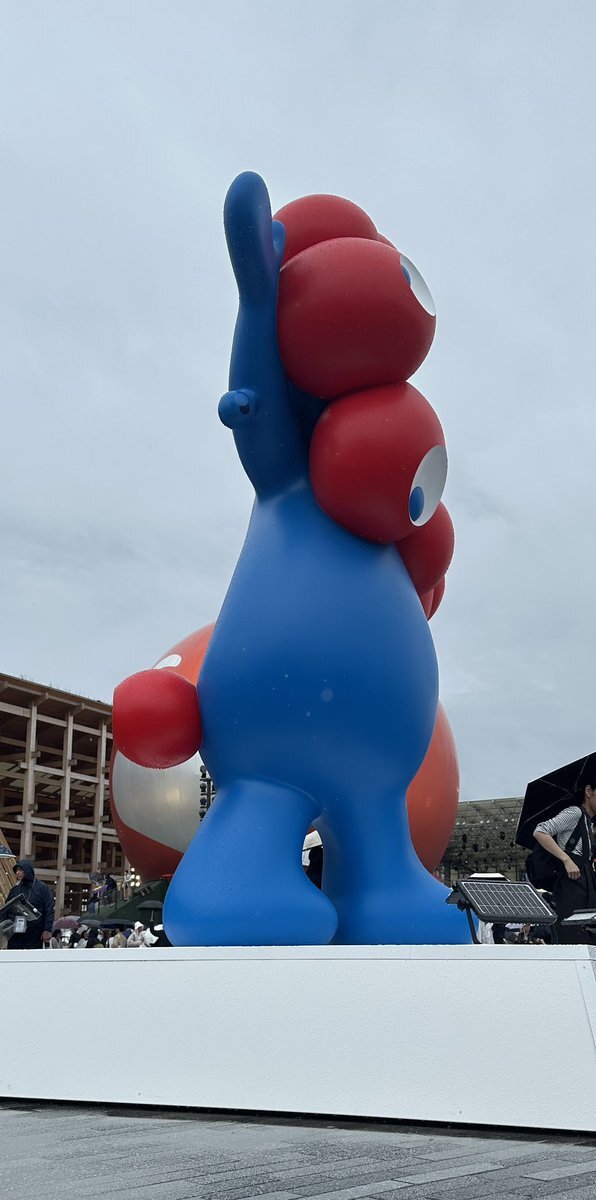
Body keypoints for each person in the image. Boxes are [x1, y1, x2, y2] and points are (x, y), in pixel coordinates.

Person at [533, 780, 596, 944]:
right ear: (588, 791)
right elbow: (540, 831)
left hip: (585, 885)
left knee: (588, 937)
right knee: (574, 936)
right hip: (571, 886)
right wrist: (566, 859)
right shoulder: (575, 812)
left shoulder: (589, 822)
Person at [3, 860, 55, 950]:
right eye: (16, 870)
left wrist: (47, 929)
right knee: (14, 956)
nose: (17, 872)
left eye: (20, 869)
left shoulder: (42, 888)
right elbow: (6, 909)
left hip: (34, 933)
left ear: (27, 870)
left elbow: (49, 909)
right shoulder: (15, 890)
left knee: (32, 956)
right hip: (15, 933)